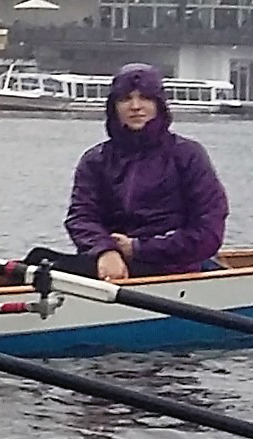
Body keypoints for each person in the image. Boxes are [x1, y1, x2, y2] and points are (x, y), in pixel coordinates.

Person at [48, 63, 229, 281]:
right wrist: (105, 251)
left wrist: (137, 248)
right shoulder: (95, 160)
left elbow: (208, 231)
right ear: (114, 107)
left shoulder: (188, 155)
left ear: (159, 105)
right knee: (38, 259)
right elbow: (82, 218)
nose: (136, 106)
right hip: (110, 266)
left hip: (175, 268)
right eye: (126, 99)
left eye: (145, 98)